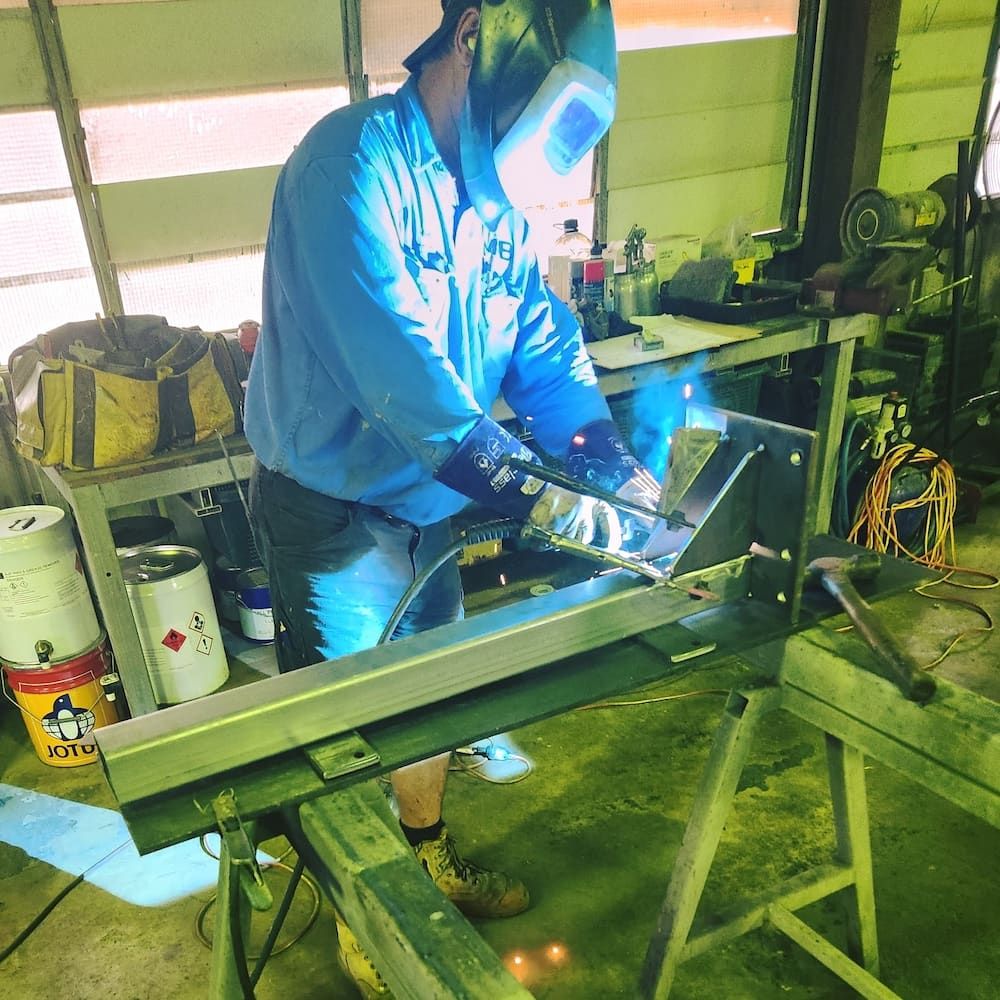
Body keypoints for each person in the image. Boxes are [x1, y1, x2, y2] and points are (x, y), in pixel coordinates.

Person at [243, 0, 655, 994]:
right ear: (472, 35)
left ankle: (424, 856)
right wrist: (555, 505)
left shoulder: (496, 201)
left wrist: (611, 464)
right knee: (350, 733)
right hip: (334, 516)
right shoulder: (346, 169)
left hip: (430, 507)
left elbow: (542, 346)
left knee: (430, 701)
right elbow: (412, 395)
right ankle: (367, 917)